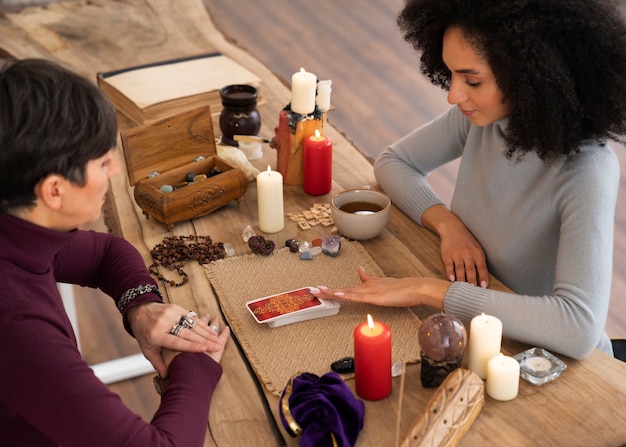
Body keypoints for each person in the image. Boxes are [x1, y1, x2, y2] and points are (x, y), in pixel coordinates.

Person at [312, 0, 626, 360]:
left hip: (554, 364)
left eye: (472, 80)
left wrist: (432, 291)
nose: (454, 95)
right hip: (481, 335)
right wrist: (447, 224)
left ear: (529, 77)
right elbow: (394, 162)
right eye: (452, 75)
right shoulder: (484, 117)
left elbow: (578, 328)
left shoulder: (588, 169)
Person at [0, 58, 230, 446]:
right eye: (103, 162)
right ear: (54, 190)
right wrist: (195, 360)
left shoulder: (18, 222)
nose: (116, 172)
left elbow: (108, 251)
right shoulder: (17, 327)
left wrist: (141, 307)